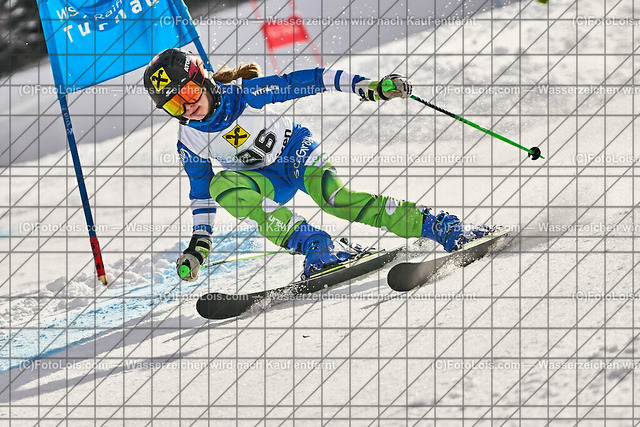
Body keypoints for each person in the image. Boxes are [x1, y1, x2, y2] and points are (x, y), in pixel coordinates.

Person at [143, 48, 491, 282]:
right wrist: (199, 244)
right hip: (264, 181)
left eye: (188, 93)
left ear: (203, 79)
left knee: (336, 200)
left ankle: (438, 225)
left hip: (296, 154)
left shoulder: (245, 93)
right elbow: (201, 195)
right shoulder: (188, 139)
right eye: (173, 105)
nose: (186, 108)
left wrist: (366, 86)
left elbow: (313, 79)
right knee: (221, 186)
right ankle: (317, 245)